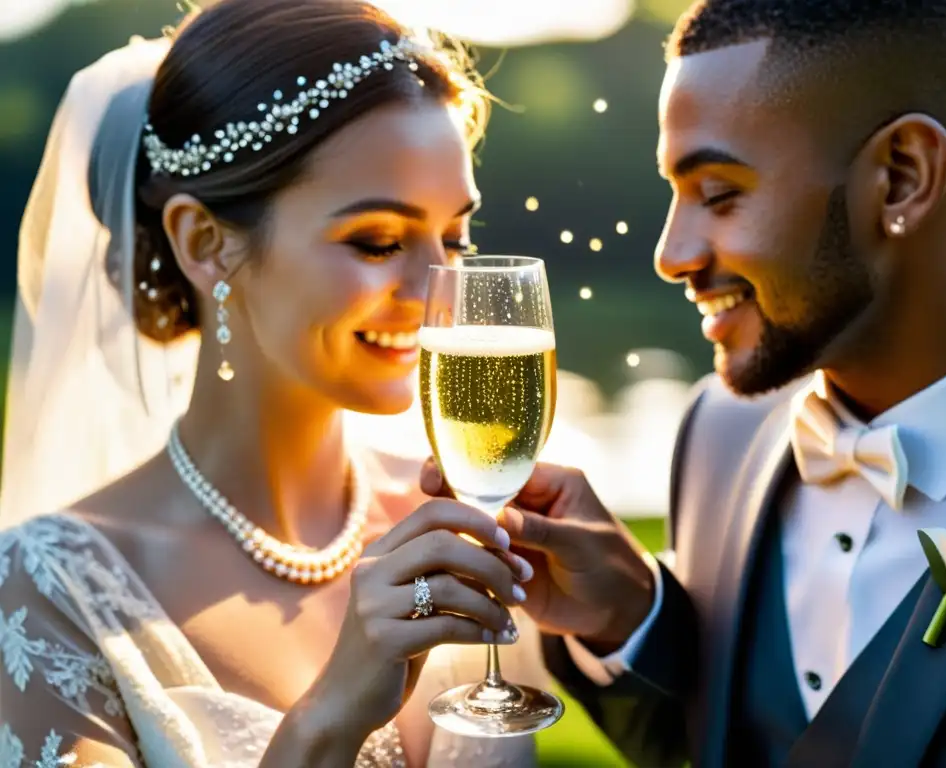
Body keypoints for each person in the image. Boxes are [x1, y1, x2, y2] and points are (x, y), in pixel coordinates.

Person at [422, 0, 946, 765]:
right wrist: (630, 623)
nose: (671, 254)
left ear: (902, 177)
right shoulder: (719, 433)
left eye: (718, 193)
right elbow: (710, 744)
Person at [0, 1, 547, 765]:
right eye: (379, 241)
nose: (438, 291)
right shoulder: (48, 595)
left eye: (453, 236)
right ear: (204, 242)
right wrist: (331, 715)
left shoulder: (458, 529)